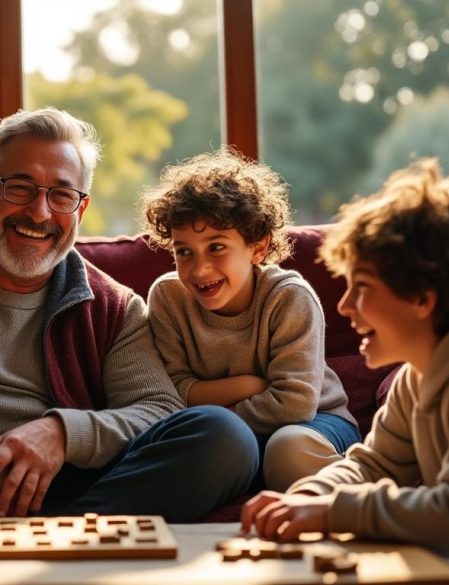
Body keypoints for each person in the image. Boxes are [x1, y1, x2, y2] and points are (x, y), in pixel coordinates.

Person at [0, 107, 258, 520]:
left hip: (65, 488)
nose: (39, 213)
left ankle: (65, 537)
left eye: (61, 194)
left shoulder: (115, 307)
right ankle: (42, 543)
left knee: (225, 437)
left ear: (81, 209)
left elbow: (156, 409)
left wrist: (61, 433)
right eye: (19, 187)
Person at [241, 160, 449, 559]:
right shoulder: (419, 375)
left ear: (422, 298)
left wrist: (334, 511)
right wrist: (312, 493)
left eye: (362, 287)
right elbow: (375, 465)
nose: (345, 306)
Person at [140, 149, 359, 492]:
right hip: (227, 432)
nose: (199, 269)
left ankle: (356, 496)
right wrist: (253, 384)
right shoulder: (168, 298)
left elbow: (295, 403)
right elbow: (174, 392)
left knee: (287, 449)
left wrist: (217, 414)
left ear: (258, 248)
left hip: (316, 422)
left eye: (216, 247)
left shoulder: (288, 297)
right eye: (184, 251)